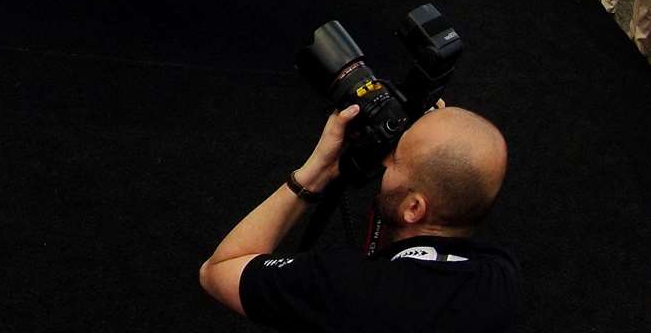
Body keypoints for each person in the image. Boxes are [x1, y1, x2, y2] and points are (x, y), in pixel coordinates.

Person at [199, 104, 518, 331]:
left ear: (414, 209)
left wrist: (316, 173)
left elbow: (218, 269)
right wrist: (431, 138)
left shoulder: (341, 285)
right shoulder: (499, 282)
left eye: (396, 159)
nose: (384, 159)